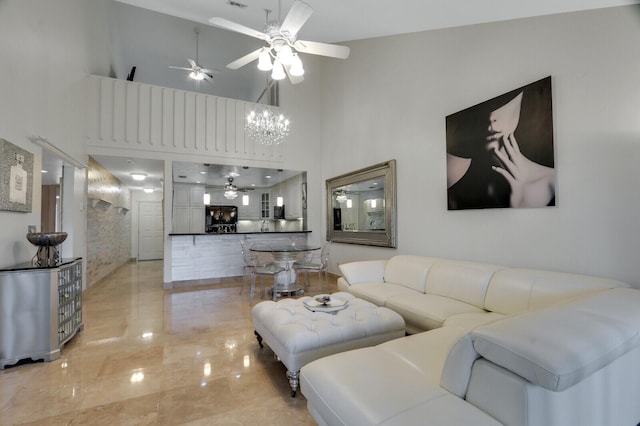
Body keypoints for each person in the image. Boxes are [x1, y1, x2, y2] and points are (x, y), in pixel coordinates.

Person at [446, 76, 555, 210]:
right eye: (479, 109)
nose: (491, 117)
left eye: (503, 103)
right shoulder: (453, 176)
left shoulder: (551, 182)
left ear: (521, 98)